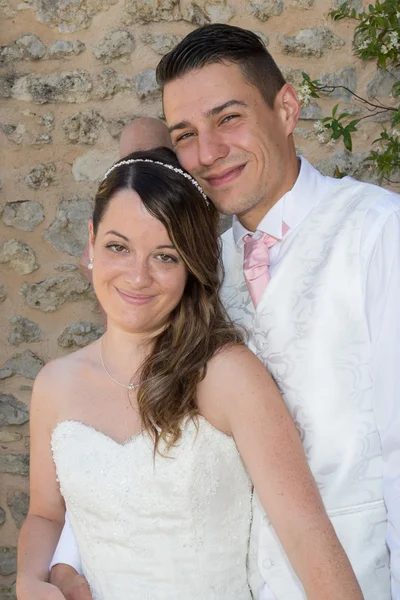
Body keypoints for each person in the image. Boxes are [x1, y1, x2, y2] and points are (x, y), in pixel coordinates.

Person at [48, 23, 400, 600]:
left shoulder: (378, 233)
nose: (208, 153)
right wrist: (63, 564)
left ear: (286, 109)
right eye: (185, 133)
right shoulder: (193, 265)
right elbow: (129, 421)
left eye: (228, 118)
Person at [16, 147, 363, 600]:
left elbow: (305, 532)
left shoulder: (227, 375)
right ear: (91, 243)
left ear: (191, 266)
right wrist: (28, 579)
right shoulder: (55, 385)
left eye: (165, 256)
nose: (137, 276)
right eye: (118, 247)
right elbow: (45, 514)